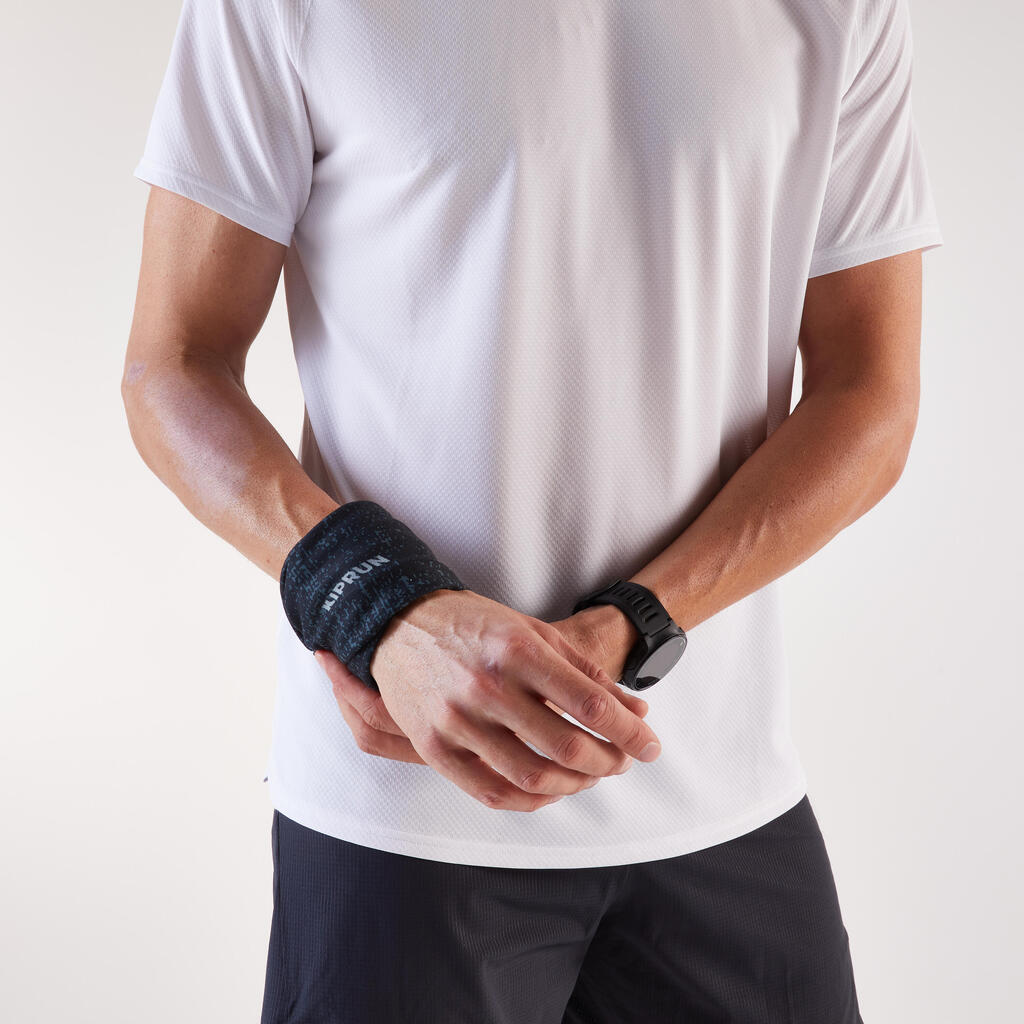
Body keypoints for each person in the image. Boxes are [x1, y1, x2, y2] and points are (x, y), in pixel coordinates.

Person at [123, 0, 943, 1020]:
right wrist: (385, 609)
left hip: (723, 796)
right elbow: (173, 367)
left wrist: (632, 623)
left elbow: (869, 397)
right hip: (410, 806)